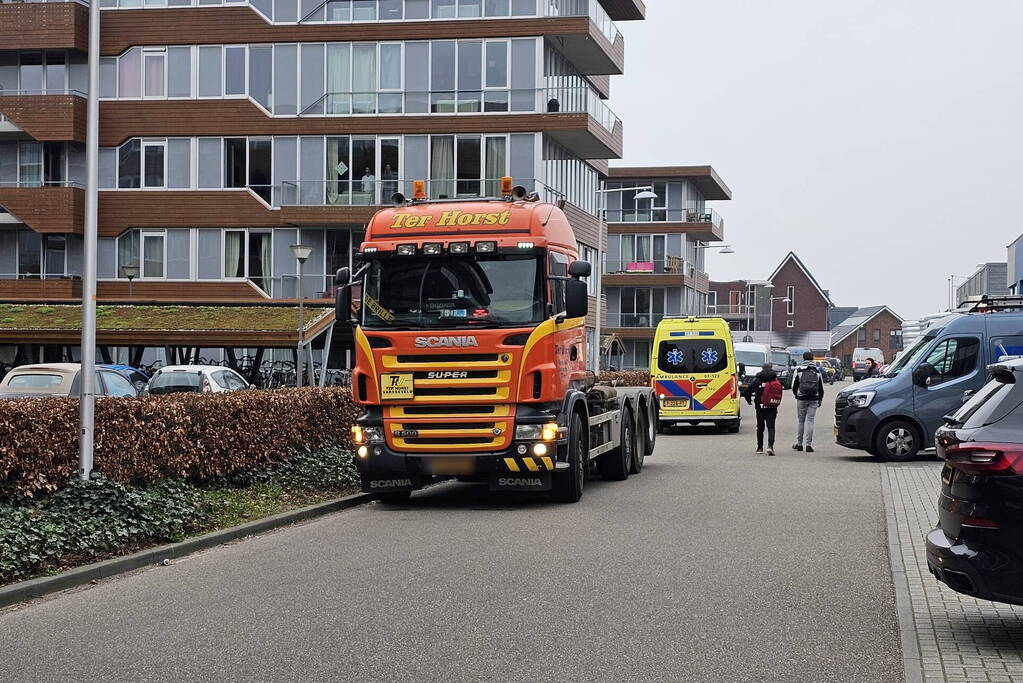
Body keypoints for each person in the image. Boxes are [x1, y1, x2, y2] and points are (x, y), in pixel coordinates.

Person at [743, 362, 782, 456]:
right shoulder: (775, 379)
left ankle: (759, 447)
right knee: (771, 427)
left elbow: (747, 391)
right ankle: (770, 447)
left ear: (762, 368)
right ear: (771, 368)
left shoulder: (757, 379)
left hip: (760, 407)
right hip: (772, 406)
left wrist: (749, 400)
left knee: (760, 427)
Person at [792, 351, 825, 453]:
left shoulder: (798, 370)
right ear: (813, 359)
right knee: (810, 421)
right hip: (813, 398)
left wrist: (796, 395)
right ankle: (808, 445)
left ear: (803, 358)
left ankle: (799, 444)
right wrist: (820, 399)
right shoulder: (817, 371)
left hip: (801, 398)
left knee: (801, 421)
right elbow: (821, 387)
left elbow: (794, 386)